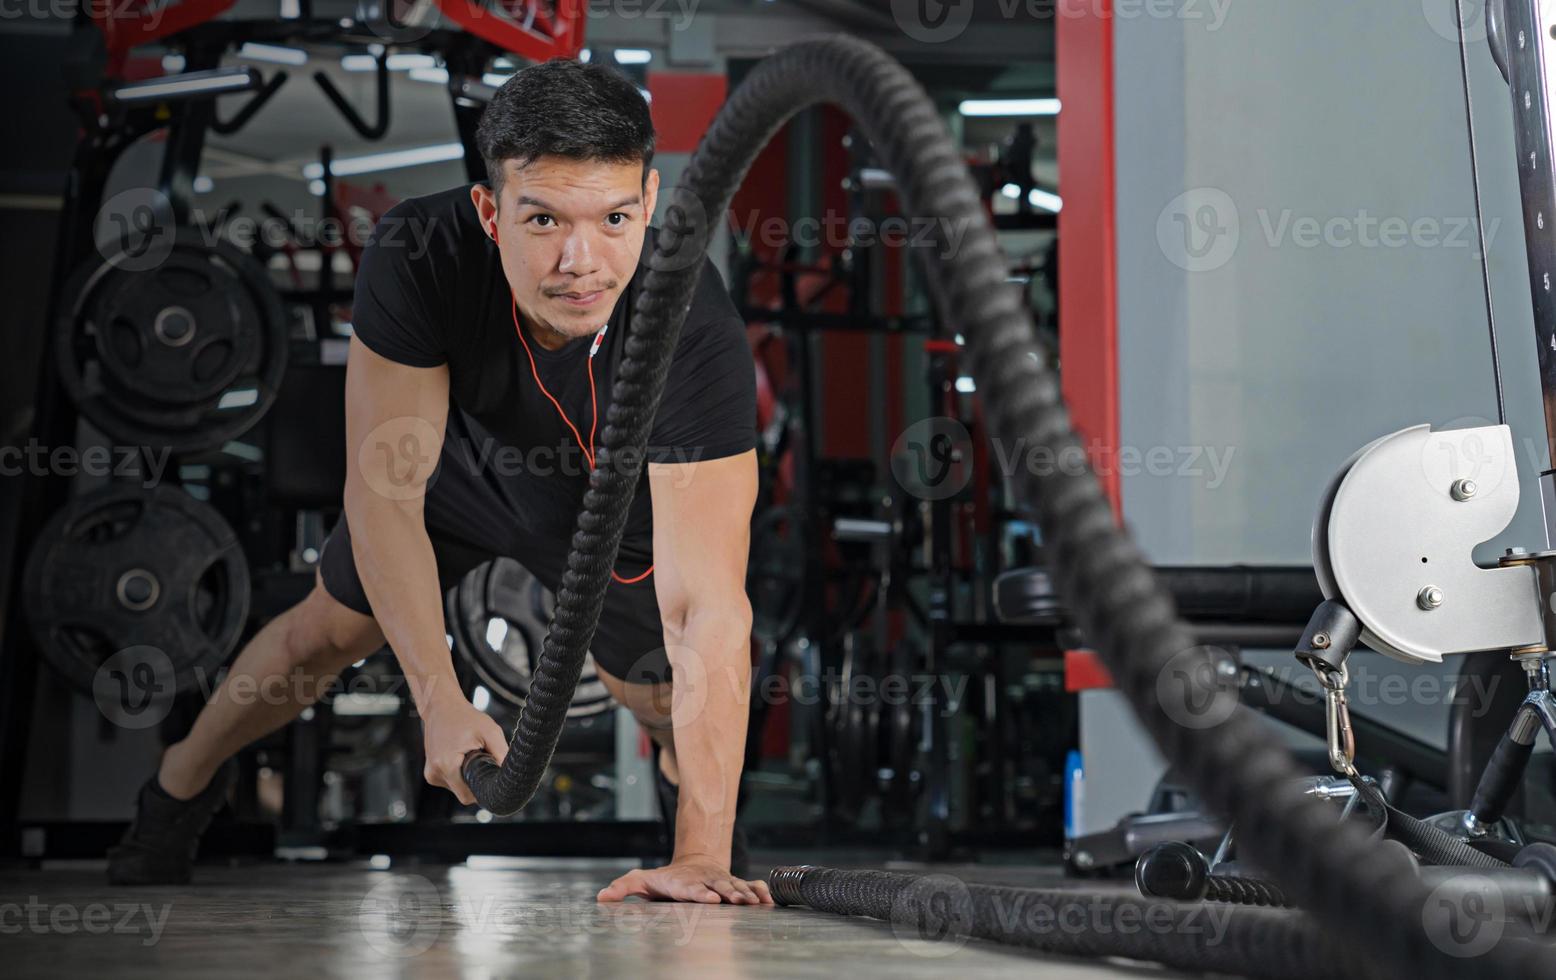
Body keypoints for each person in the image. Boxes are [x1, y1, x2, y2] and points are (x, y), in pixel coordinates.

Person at [107, 57, 771, 906]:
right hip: (459, 468)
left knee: (661, 688)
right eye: (543, 220)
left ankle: (702, 840)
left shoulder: (694, 322)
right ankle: (179, 789)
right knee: (321, 633)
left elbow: (710, 608)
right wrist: (440, 699)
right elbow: (382, 496)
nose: (582, 260)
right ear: (490, 211)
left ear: (647, 202)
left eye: (612, 218)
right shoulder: (422, 253)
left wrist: (705, 857)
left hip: (612, 507)